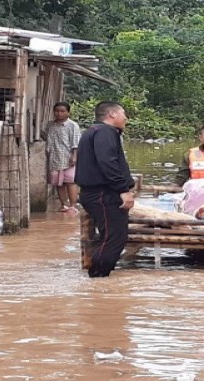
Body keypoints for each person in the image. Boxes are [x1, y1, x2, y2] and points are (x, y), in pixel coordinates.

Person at [75, 101, 135, 278]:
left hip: (98, 192)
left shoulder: (94, 131)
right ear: (112, 115)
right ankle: (98, 279)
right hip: (103, 194)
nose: (126, 118)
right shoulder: (105, 132)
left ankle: (99, 280)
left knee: (112, 237)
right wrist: (123, 189)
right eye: (123, 113)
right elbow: (107, 162)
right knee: (114, 238)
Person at [42, 102, 82, 212]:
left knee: (70, 181)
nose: (59, 113)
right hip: (54, 158)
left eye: (62, 111)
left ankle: (73, 205)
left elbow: (76, 142)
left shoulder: (72, 125)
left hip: (68, 157)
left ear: (68, 113)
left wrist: (74, 156)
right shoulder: (50, 125)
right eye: (57, 111)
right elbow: (46, 137)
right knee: (58, 183)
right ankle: (63, 204)